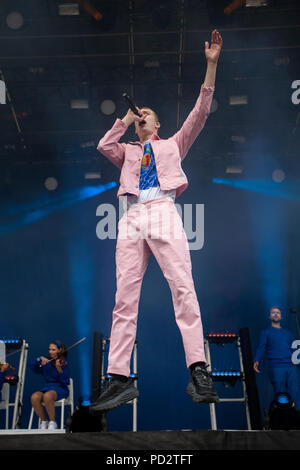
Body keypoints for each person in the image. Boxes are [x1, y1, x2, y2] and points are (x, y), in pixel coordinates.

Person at [90, 30, 223, 414]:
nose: (140, 118)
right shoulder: (128, 151)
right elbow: (103, 146)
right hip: (132, 216)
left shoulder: (173, 144)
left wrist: (211, 65)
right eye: (138, 116)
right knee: (123, 299)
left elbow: (200, 113)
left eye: (146, 115)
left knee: (183, 288)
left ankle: (198, 369)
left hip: (163, 211)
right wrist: (124, 118)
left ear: (158, 125)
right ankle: (118, 378)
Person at [253, 306, 300, 409]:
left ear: (281, 316)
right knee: (280, 395)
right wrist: (256, 360)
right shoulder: (266, 332)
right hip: (276, 367)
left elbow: (295, 351)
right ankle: (283, 420)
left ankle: (297, 419)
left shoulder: (288, 333)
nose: (275, 314)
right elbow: (261, 348)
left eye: (278, 312)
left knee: (295, 393)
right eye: (273, 312)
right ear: (270, 316)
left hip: (291, 367)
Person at [29, 340, 70, 430]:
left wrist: (58, 368)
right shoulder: (46, 362)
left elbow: (65, 380)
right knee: (34, 397)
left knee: (47, 396)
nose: (50, 352)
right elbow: (31, 366)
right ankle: (44, 421)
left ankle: (53, 422)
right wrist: (39, 359)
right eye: (49, 349)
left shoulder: (63, 362)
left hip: (60, 388)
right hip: (47, 388)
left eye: (53, 350)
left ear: (59, 350)